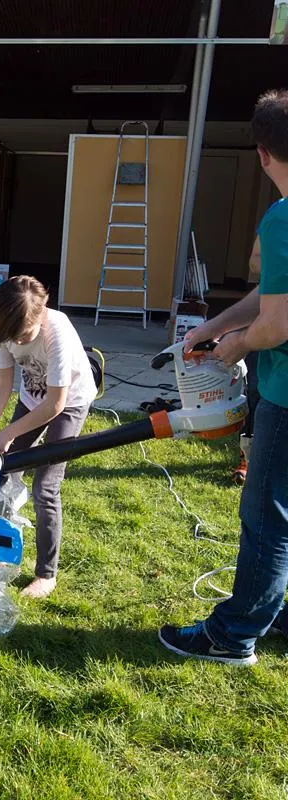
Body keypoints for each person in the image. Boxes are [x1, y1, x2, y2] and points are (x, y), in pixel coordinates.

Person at [158, 90, 288, 665]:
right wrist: (210, 326)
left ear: (263, 154)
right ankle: (279, 612)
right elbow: (270, 294)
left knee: (265, 516)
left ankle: (232, 635)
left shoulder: (283, 217)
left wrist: (233, 346)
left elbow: (277, 324)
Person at [0, 276, 98, 599]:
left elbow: (55, 404)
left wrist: (9, 434)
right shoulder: (5, 327)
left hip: (69, 403)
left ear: (41, 314)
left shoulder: (59, 333)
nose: (19, 342)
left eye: (25, 335)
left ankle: (46, 574)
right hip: (32, 397)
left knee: (45, 487)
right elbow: (3, 382)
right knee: (0, 471)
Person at [232, 237, 261, 484]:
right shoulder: (277, 215)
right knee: (255, 391)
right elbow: (255, 263)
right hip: (266, 319)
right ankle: (247, 459)